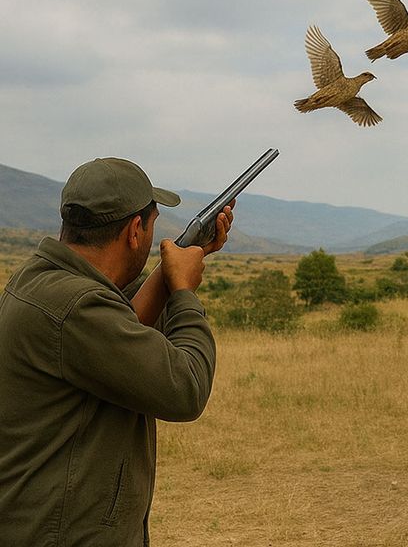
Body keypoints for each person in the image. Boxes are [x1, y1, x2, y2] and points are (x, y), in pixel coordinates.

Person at [0, 157, 234, 546]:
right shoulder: (77, 308)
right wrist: (183, 292)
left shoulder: (43, 281)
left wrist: (173, 265)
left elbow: (125, 327)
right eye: (154, 224)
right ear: (135, 230)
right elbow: (186, 389)